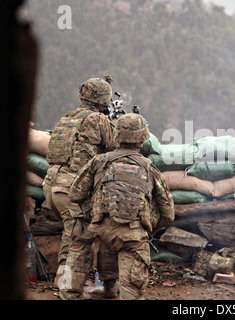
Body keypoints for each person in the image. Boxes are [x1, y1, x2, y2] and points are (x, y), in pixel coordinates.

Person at [66, 113, 175, 300]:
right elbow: (168, 213)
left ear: (117, 136)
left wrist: (94, 214)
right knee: (132, 287)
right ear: (142, 139)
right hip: (132, 236)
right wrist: (149, 229)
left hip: (102, 230)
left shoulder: (99, 161)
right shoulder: (149, 168)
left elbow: (75, 194)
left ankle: (105, 288)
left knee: (106, 240)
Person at [43, 77, 117, 288]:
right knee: (81, 240)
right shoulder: (98, 119)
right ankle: (70, 287)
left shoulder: (67, 118)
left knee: (71, 233)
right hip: (71, 189)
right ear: (104, 101)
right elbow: (117, 146)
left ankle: (61, 281)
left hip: (52, 185)